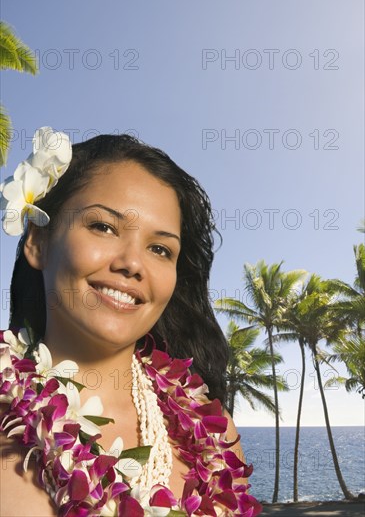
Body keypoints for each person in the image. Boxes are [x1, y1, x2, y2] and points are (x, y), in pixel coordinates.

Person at [0, 127, 262, 516]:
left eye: (160, 249)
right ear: (37, 241)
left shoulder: (214, 433)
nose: (133, 264)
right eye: (103, 226)